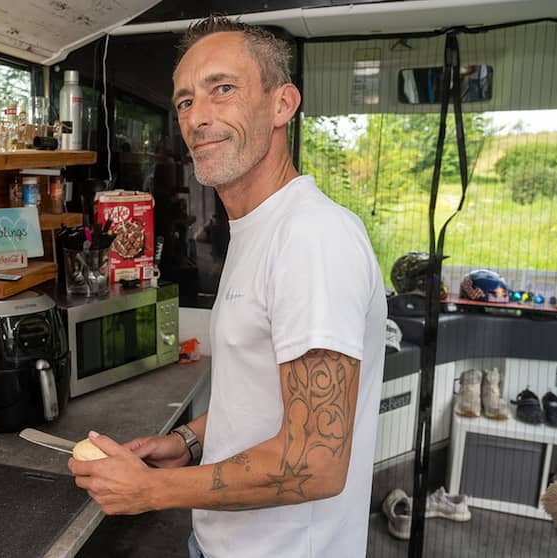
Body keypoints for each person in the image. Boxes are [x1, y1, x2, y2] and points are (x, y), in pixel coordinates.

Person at [68, 15, 387, 558]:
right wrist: (188, 442)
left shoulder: (311, 237)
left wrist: (151, 490)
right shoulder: (258, 228)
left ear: (283, 104)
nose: (199, 117)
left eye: (224, 89)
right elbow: (264, 399)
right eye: (186, 101)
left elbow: (316, 461)